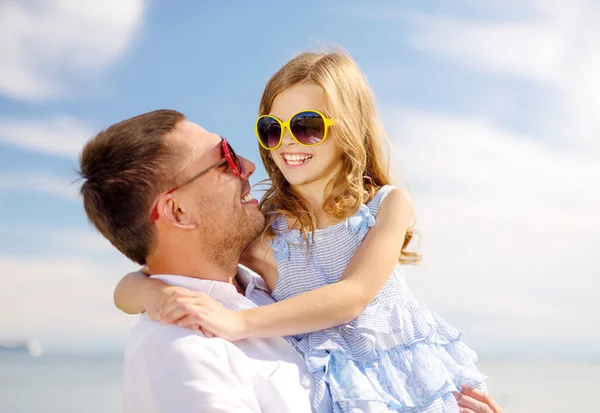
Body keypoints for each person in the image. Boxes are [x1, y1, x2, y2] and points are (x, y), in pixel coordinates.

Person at [114, 52, 497, 413]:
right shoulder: (264, 230)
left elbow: (353, 296)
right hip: (335, 392)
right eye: (272, 129)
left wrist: (239, 323)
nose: (288, 142)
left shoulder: (385, 206)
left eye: (307, 126)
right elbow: (137, 282)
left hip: (415, 383)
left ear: (348, 128)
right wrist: (152, 292)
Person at [78, 110, 314, 412]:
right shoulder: (181, 351)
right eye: (225, 158)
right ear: (178, 212)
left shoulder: (265, 280)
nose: (249, 167)